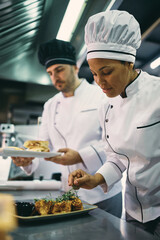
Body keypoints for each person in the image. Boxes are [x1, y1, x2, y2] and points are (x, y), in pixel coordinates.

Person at [68, 10, 160, 238]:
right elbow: (118, 158)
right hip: (132, 211)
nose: (100, 82)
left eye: (106, 72)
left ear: (129, 63)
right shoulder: (106, 106)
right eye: (95, 74)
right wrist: (96, 178)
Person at [12, 39, 122, 218]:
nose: (55, 77)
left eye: (59, 69)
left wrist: (80, 156)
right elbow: (42, 145)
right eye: (50, 73)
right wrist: (28, 158)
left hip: (103, 193)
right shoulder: (50, 105)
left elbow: (116, 142)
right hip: (69, 195)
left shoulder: (101, 95)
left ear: (75, 67)